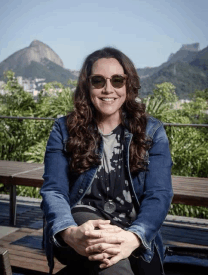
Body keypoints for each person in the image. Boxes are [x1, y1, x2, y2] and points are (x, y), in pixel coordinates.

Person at [40, 47, 173, 275]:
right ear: (87, 85)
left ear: (128, 85)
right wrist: (69, 232)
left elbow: (159, 194)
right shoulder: (64, 129)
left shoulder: (153, 131)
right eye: (98, 81)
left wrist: (134, 237)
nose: (108, 89)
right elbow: (54, 190)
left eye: (117, 80)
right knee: (105, 250)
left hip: (133, 227)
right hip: (81, 225)